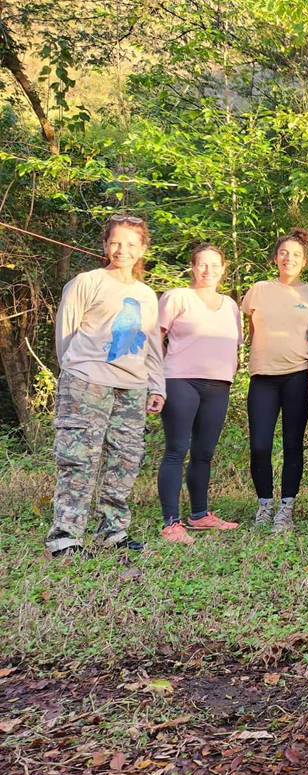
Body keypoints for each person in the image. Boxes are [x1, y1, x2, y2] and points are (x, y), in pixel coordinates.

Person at [47, 215, 164, 557]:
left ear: (142, 249)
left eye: (130, 244)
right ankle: (66, 537)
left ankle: (112, 531)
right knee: (78, 460)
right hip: (86, 384)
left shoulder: (145, 294)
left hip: (132, 388)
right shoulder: (87, 282)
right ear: (105, 245)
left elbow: (151, 345)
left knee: (124, 461)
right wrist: (77, 371)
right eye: (116, 242)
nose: (122, 250)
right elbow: (65, 336)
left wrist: (157, 386)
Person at [153, 243, 243, 544]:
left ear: (223, 268)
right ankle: (170, 522)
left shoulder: (230, 305)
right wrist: (153, 381)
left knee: (204, 453)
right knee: (176, 449)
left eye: (215, 265)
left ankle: (200, 515)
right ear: (192, 267)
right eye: (202, 264)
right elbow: (155, 339)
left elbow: (235, 345)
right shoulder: (177, 297)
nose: (208, 270)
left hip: (218, 384)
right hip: (180, 380)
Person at [243, 230, 308, 532]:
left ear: (304, 261)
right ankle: (264, 504)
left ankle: (286, 507)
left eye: (296, 255)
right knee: (260, 445)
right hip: (263, 377)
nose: (289, 258)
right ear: (276, 257)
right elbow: (252, 329)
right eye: (284, 253)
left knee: (293, 443)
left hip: (298, 376)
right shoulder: (259, 290)